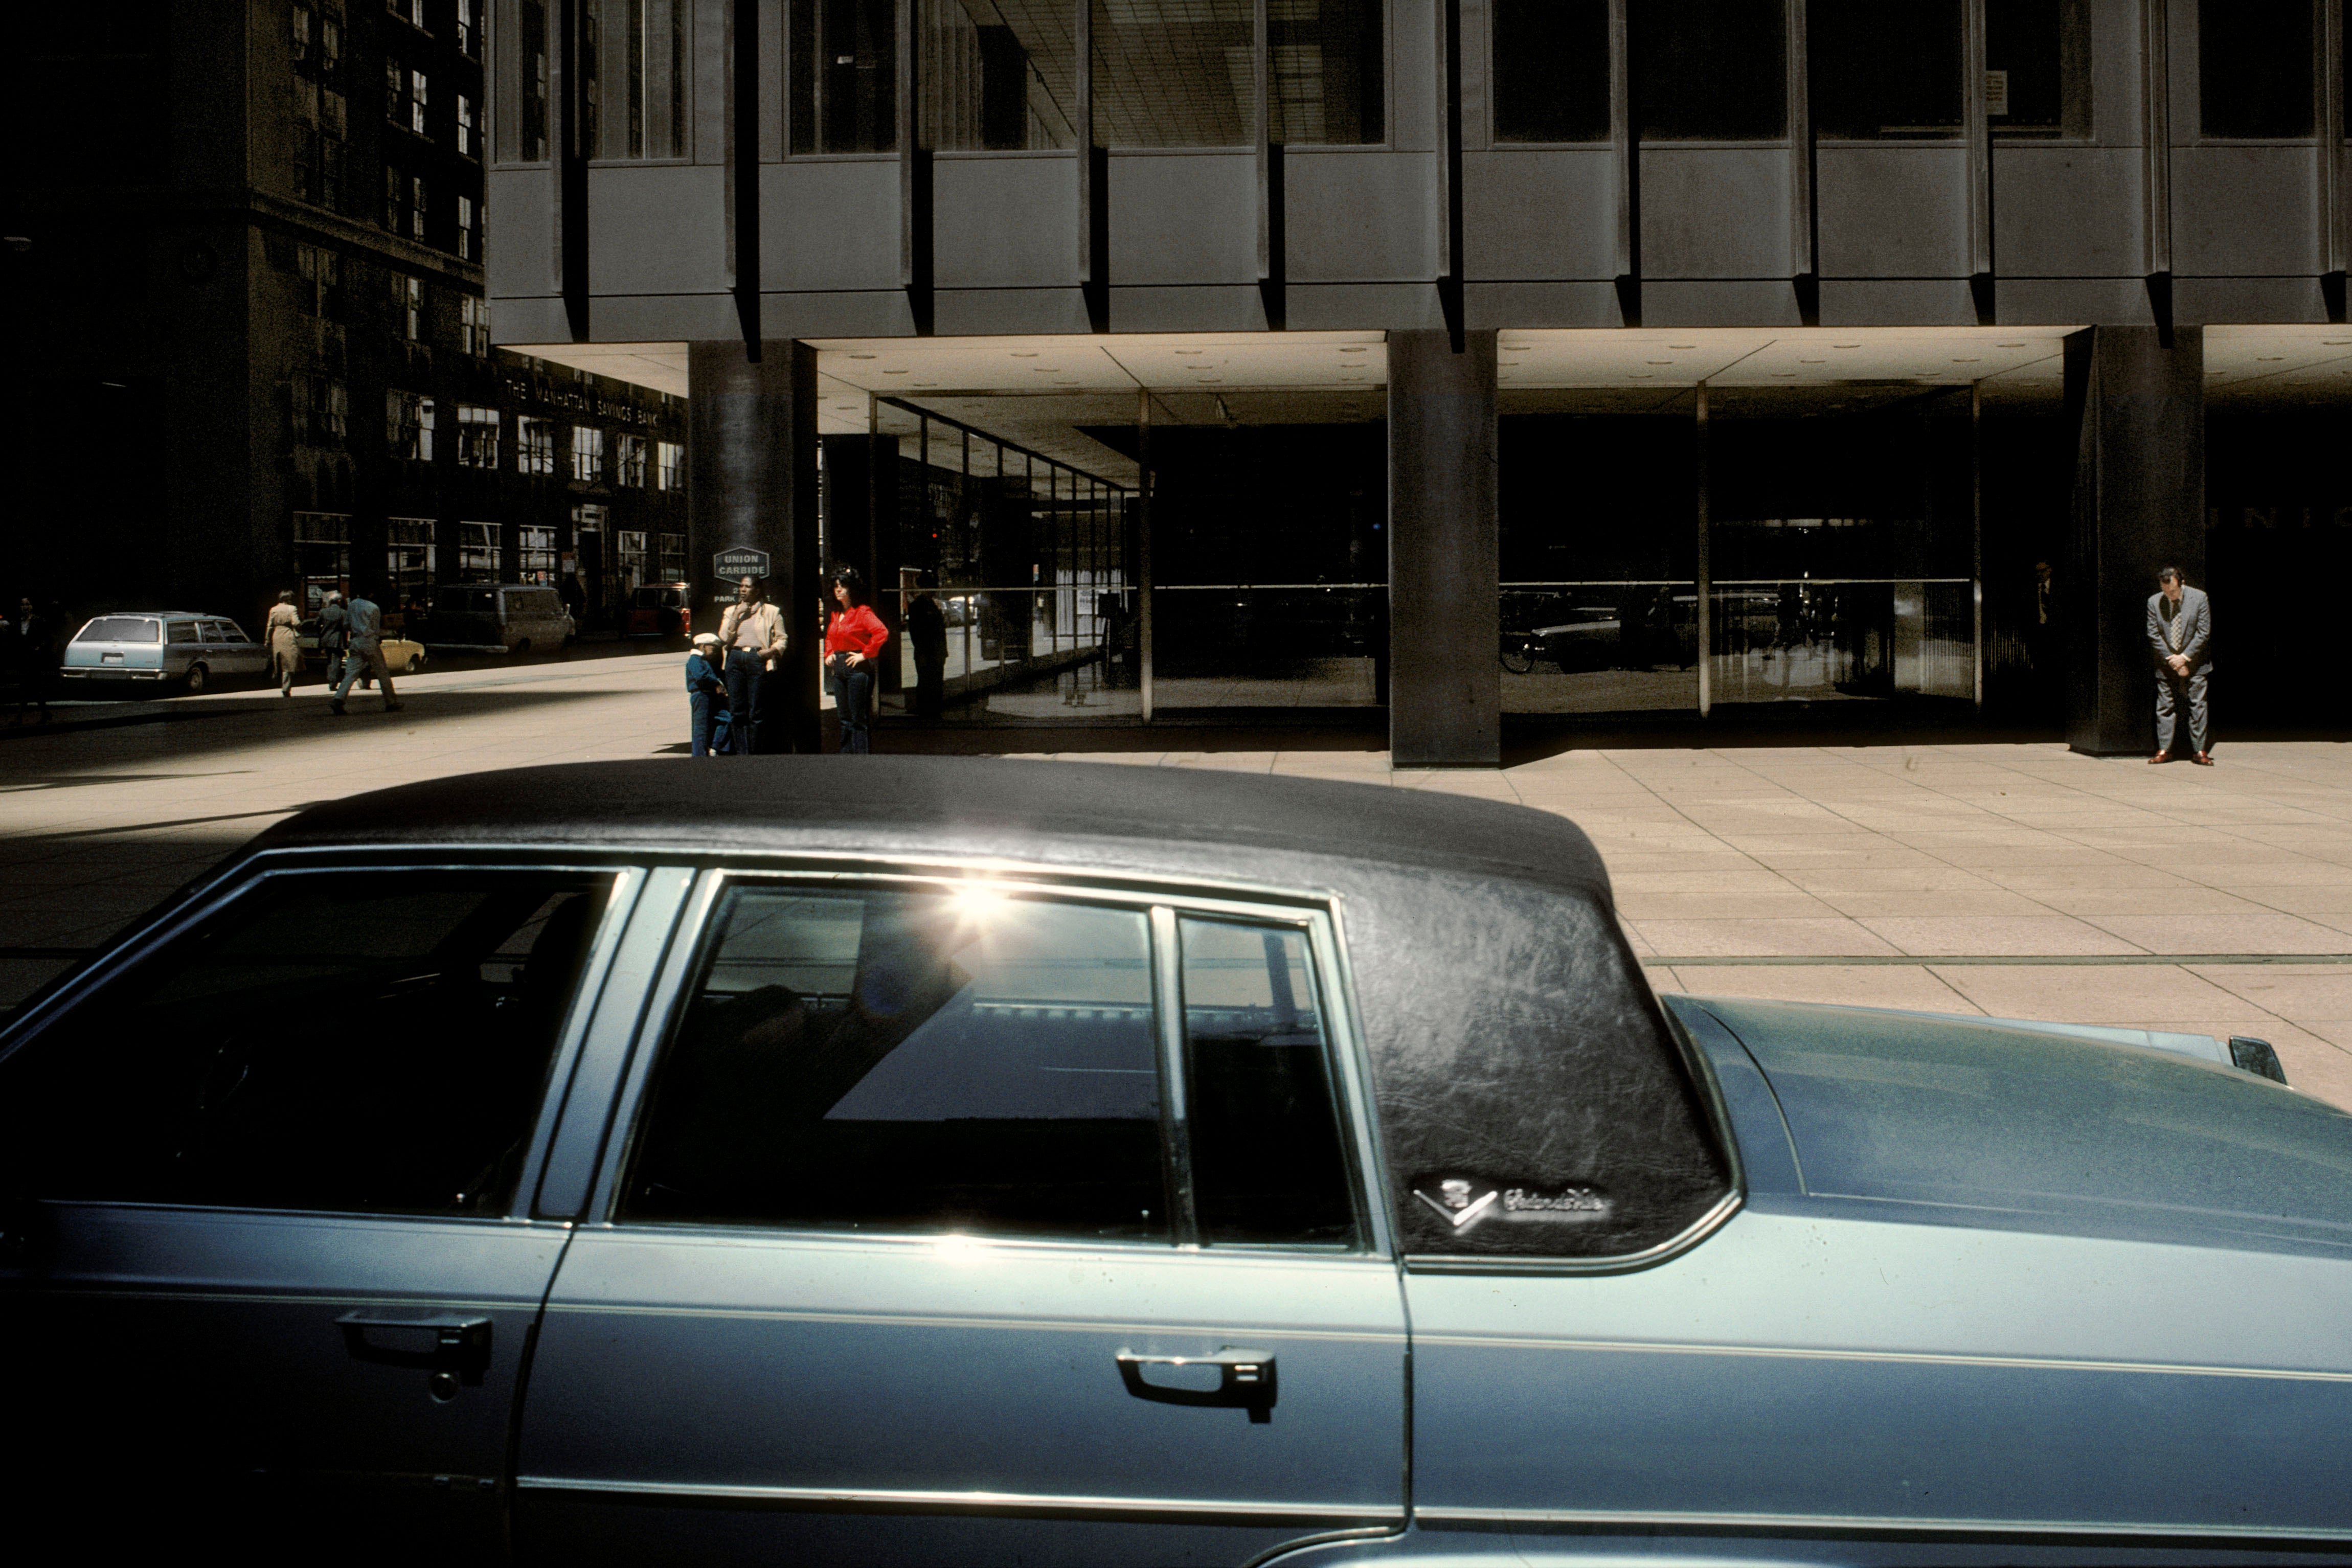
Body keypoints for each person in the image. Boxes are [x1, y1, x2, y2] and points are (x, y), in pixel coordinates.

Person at [2146, 565, 2211, 765]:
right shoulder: (2155, 602)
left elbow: (2203, 632)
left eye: (2173, 591)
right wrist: (2174, 661)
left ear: (2182, 584)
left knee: (2198, 706)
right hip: (2167, 664)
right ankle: (2165, 749)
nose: (2169, 595)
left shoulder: (2200, 598)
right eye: (2165, 591)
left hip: (2195, 663)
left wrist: (2185, 658)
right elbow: (2154, 634)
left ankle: (2199, 750)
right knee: (2165, 707)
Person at [822, 566, 889, 754]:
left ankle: (861, 759)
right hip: (840, 668)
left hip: (858, 669)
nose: (839, 590)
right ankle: (846, 757)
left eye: (843, 586)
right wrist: (829, 654)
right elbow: (829, 637)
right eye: (836, 586)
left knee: (858, 718)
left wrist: (865, 654)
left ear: (852, 588)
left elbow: (882, 632)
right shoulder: (836, 614)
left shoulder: (862, 612)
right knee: (844, 718)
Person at [716, 575, 784, 755]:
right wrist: (736, 616)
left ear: (757, 590)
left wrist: (770, 652)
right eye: (741, 586)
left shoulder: (771, 611)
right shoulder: (731, 611)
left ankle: (755, 754)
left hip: (757, 659)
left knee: (756, 712)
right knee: (737, 711)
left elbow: (782, 639)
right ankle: (742, 753)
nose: (743, 590)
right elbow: (723, 638)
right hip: (735, 658)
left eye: (747, 587)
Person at [331, 586, 403, 715]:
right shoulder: (374, 608)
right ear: (371, 594)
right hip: (370, 642)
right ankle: (391, 702)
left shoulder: (353, 604)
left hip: (356, 642)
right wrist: (391, 632)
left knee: (350, 674)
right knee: (382, 673)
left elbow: (346, 624)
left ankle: (339, 699)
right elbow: (376, 630)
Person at [907, 572, 947, 720]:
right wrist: (922, 651)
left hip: (937, 651)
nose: (932, 591)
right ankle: (926, 710)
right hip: (926, 651)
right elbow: (916, 632)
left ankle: (934, 709)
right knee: (925, 681)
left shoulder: (933, 605)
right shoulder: (917, 606)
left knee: (936, 681)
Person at [685, 632, 729, 758]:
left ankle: (717, 746)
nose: (714, 652)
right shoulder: (695, 659)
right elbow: (701, 677)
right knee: (701, 728)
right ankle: (699, 755)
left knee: (726, 718)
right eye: (713, 648)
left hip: (709, 695)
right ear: (703, 646)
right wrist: (716, 683)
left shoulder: (704, 660)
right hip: (701, 696)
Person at [12, 598, 54, 726]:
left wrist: (39, 648)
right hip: (24, 659)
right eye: (22, 605)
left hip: (35, 659)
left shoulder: (39, 621)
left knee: (28, 687)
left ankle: (19, 717)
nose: (25, 607)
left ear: (32, 607)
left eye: (27, 604)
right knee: (34, 688)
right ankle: (45, 713)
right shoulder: (17, 623)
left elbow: (48, 638)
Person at [265, 590, 304, 697]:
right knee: (289, 662)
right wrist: (298, 627)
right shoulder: (292, 609)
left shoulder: (273, 609)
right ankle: (286, 687)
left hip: (277, 636)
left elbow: (270, 626)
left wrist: (267, 640)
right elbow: (296, 623)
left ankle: (277, 676)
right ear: (289, 599)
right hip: (288, 635)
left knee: (278, 660)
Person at [316, 590, 350, 692]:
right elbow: (346, 627)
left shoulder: (323, 612)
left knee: (329, 661)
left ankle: (330, 679)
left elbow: (316, 624)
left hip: (326, 640)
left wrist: (321, 633)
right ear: (339, 601)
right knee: (336, 662)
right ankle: (333, 682)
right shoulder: (342, 613)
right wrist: (346, 639)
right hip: (337, 640)